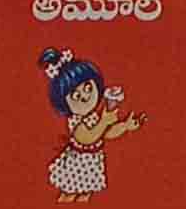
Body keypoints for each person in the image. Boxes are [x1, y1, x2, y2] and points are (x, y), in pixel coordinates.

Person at [41, 48, 141, 201]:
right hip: (77, 164)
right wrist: (104, 121)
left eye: (88, 88)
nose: (85, 96)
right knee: (69, 194)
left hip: (91, 164)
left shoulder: (94, 116)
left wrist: (125, 126)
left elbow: (106, 134)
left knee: (86, 194)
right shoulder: (77, 120)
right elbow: (86, 138)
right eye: (76, 96)